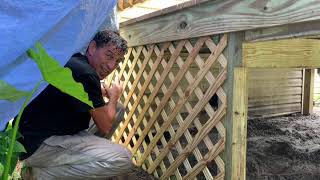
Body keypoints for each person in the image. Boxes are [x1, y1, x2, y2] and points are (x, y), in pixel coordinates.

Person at [17, 30, 132, 179]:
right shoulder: (87, 74)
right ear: (92, 47)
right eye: (109, 56)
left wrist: (103, 93)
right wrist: (114, 95)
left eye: (117, 61)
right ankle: (41, 174)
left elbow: (81, 91)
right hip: (39, 146)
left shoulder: (76, 62)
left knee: (117, 110)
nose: (111, 66)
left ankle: (82, 162)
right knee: (123, 159)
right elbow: (105, 126)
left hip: (31, 136)